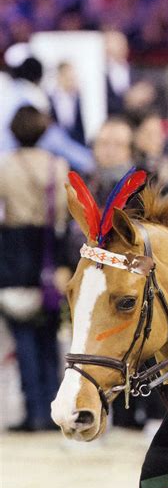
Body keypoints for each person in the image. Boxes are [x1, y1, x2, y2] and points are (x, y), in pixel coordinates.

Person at [0, 106, 69, 431]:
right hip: (50, 253)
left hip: (15, 253)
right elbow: (66, 215)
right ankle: (55, 405)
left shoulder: (5, 166)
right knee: (49, 334)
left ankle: (34, 410)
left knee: (23, 334)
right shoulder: (58, 166)